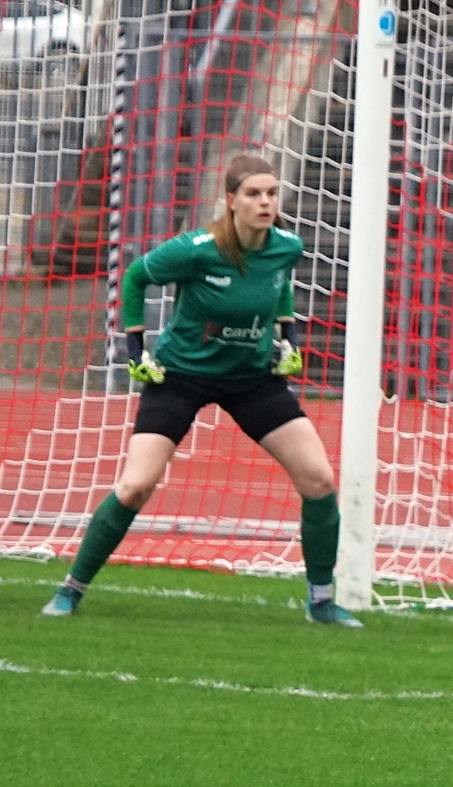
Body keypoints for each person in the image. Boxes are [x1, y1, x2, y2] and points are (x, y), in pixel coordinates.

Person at [41, 153, 361, 627]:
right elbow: (136, 276)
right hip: (181, 377)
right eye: (253, 194)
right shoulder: (196, 249)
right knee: (135, 486)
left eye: (271, 193)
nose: (265, 202)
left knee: (319, 481)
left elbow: (280, 286)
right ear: (231, 201)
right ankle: (71, 589)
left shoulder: (287, 246)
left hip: (252, 379)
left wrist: (289, 340)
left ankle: (321, 602)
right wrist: (135, 350)